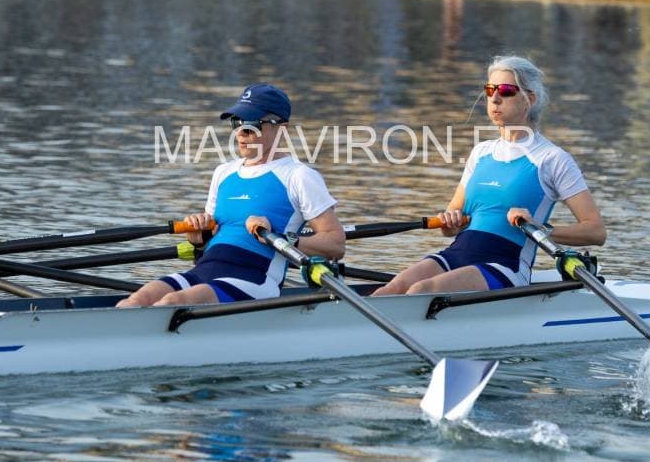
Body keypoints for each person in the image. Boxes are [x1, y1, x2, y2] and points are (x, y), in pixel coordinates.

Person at [373, 55, 606, 297]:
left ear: (530, 99)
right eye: (490, 90)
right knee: (390, 290)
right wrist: (450, 221)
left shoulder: (552, 159)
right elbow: (450, 228)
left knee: (421, 290)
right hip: (457, 254)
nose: (494, 98)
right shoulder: (480, 152)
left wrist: (541, 229)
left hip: (505, 265)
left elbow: (596, 231)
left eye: (506, 91)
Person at [118, 84, 345, 308]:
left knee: (172, 302)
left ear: (281, 129)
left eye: (251, 125)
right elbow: (203, 247)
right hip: (203, 272)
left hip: (253, 279)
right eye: (237, 123)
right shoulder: (223, 172)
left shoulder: (299, 176)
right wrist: (197, 237)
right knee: (137, 300)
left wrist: (282, 238)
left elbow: (335, 243)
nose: (240, 133)